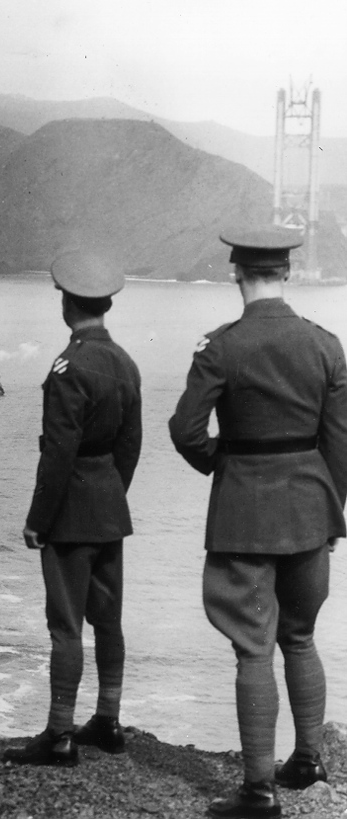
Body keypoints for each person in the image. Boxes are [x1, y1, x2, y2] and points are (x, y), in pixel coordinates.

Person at [169, 226, 347, 818]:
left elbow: (185, 431)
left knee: (253, 649)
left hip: (245, 510)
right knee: (300, 635)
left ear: (235, 273)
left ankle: (257, 791)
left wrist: (222, 461)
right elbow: (340, 443)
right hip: (311, 510)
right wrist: (330, 513)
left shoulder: (220, 347)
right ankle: (309, 759)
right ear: (288, 274)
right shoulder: (326, 345)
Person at [4, 250, 142, 767]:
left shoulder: (69, 367)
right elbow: (130, 446)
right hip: (109, 510)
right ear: (106, 304)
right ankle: (108, 720)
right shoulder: (125, 362)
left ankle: (59, 734)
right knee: (109, 621)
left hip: (70, 515)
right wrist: (109, 494)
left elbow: (59, 452)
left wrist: (39, 520)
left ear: (68, 304)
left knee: (65, 626)